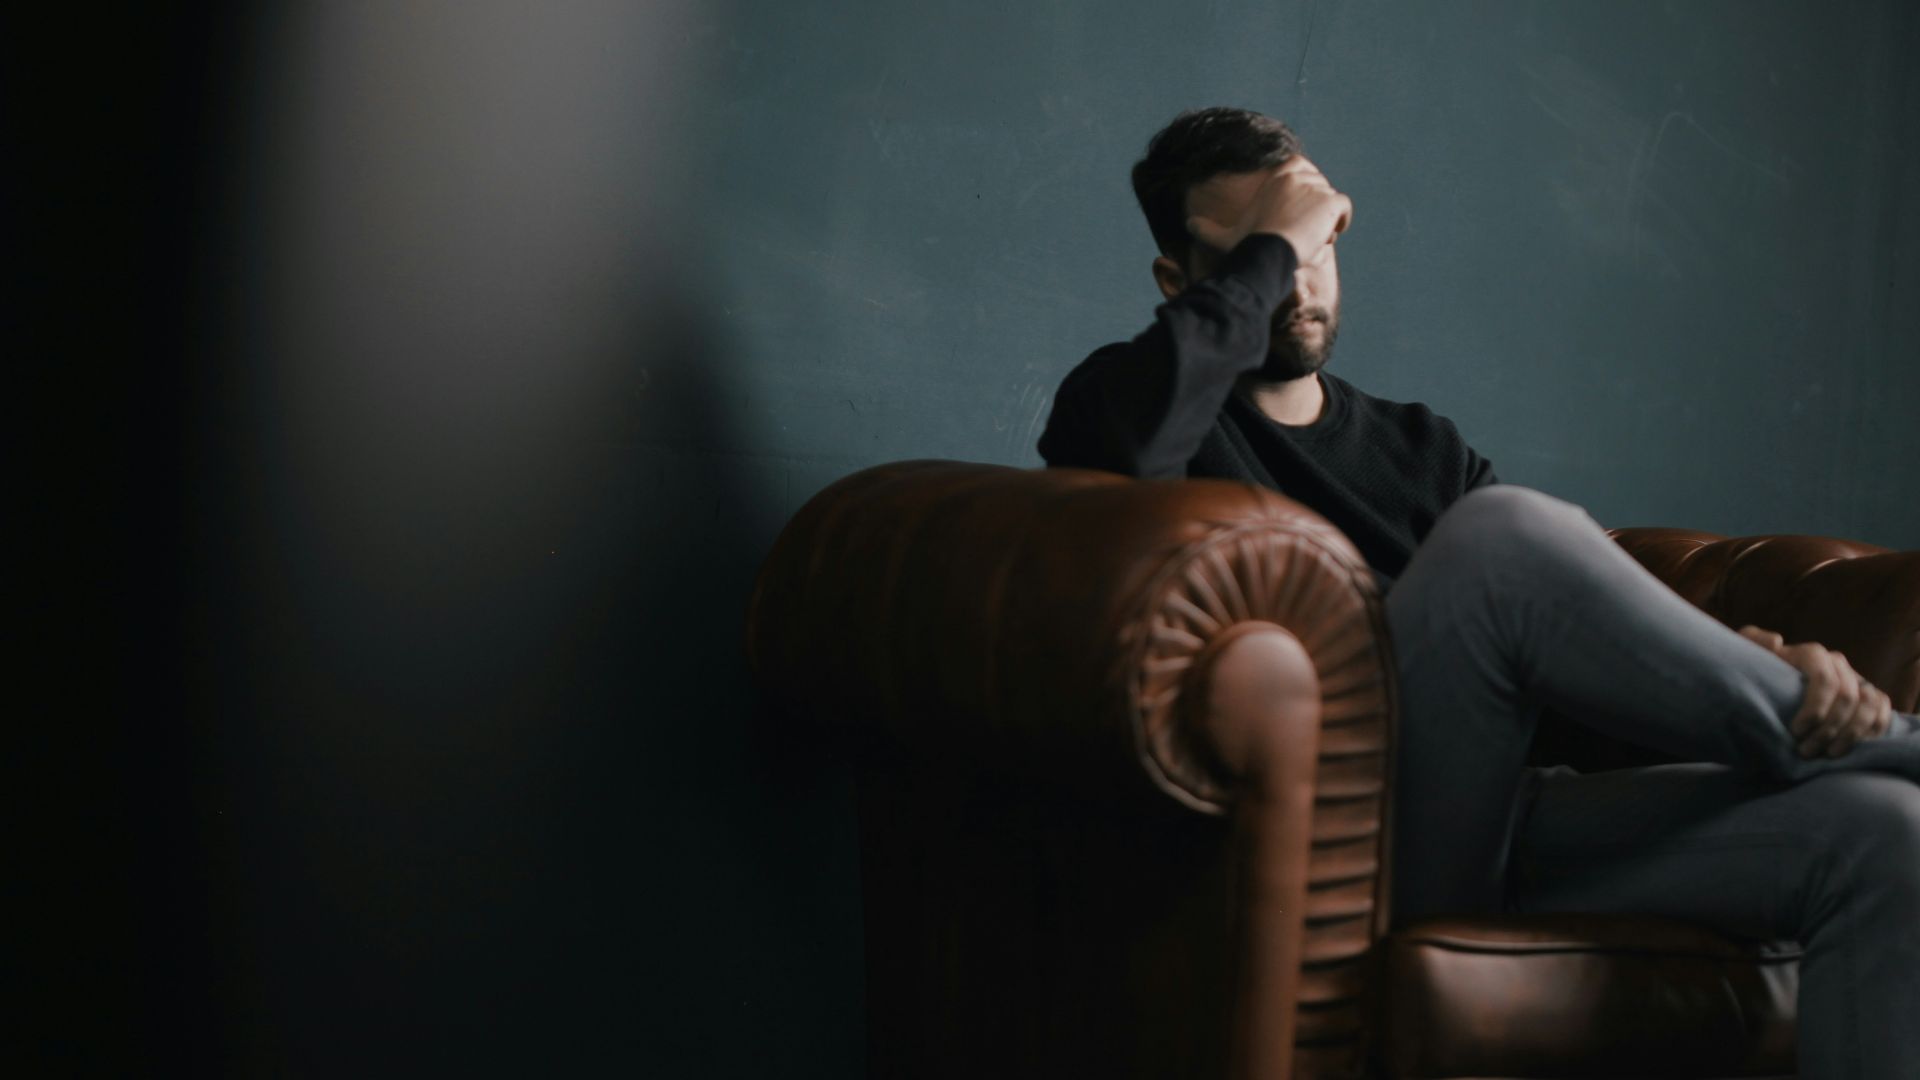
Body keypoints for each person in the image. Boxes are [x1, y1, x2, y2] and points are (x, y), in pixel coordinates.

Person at [1037, 106, 1920, 1080]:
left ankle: (1831, 736)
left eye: (1317, 238)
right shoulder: (1125, 400)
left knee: (1887, 838)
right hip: (1347, 848)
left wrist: (1750, 660)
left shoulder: (1423, 447)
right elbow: (1121, 462)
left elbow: (1571, 658)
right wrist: (1279, 241)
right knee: (1503, 539)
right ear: (1183, 282)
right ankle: (1884, 744)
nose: (1299, 277)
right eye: (1265, 249)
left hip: (1506, 821)